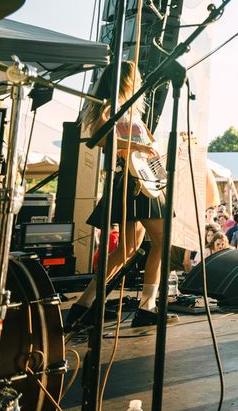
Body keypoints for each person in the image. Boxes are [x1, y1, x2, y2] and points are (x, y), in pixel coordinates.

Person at [63, 61, 177, 331]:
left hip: (141, 178)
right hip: (131, 180)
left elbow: (148, 148)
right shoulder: (111, 105)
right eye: (136, 77)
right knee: (162, 240)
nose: (139, 81)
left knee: (126, 250)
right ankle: (147, 307)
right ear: (126, 79)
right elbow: (100, 136)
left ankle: (84, 305)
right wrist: (137, 144)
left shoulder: (132, 110)